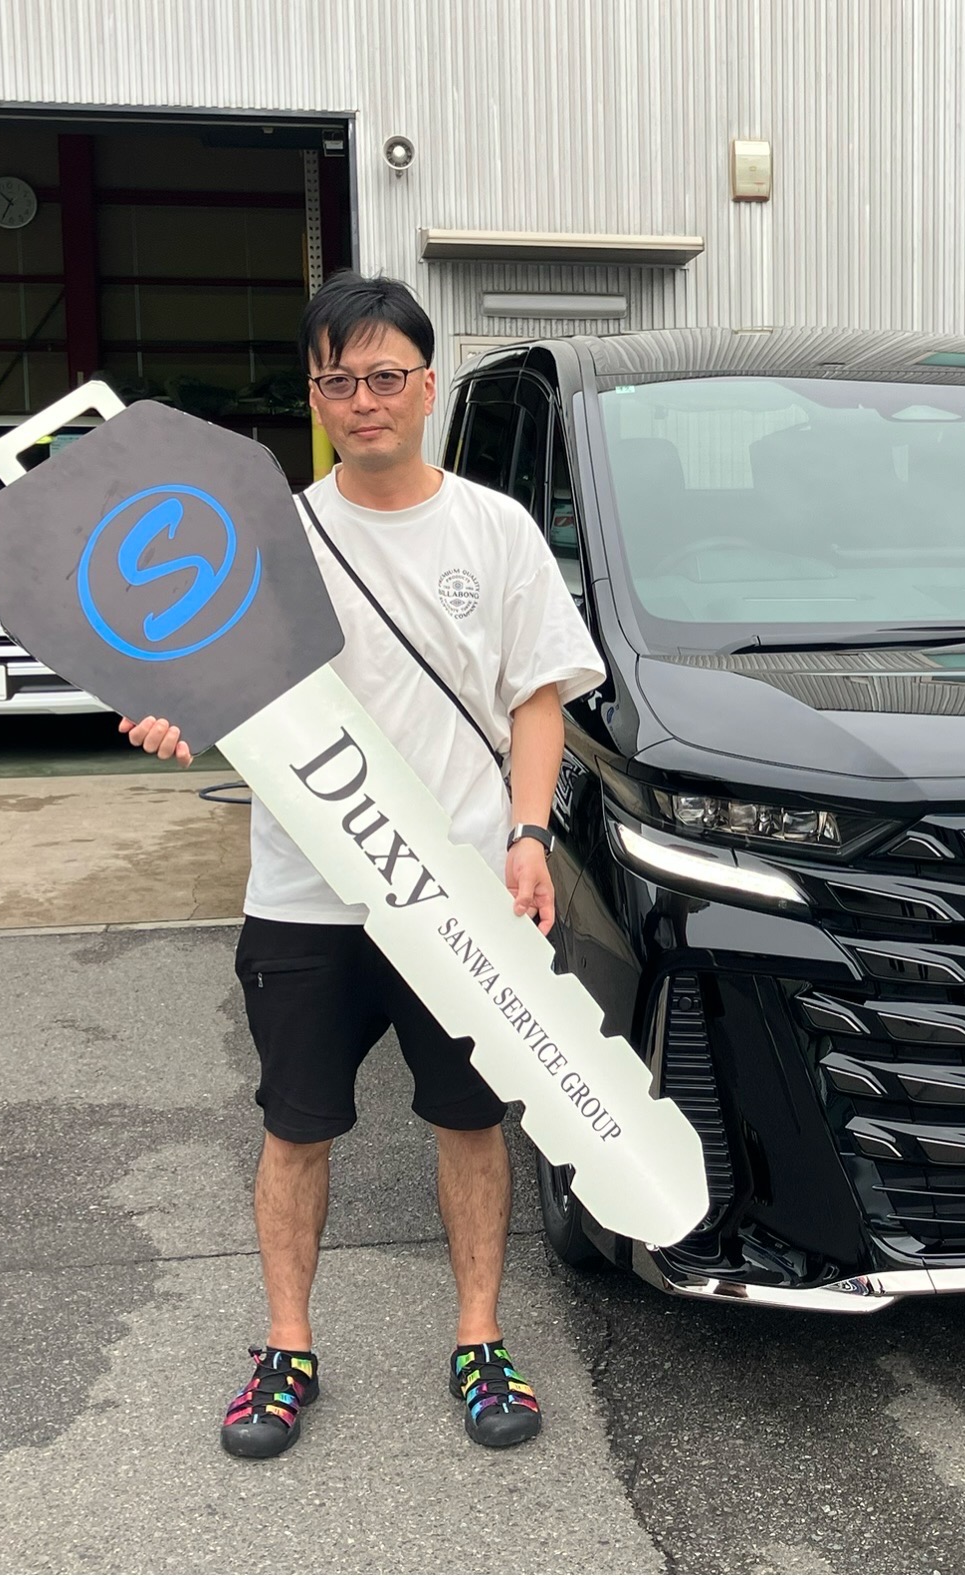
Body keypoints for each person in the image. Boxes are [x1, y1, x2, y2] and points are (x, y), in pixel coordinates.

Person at [120, 272, 604, 1458]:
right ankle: (286, 1347)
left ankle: (480, 1336)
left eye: (386, 376)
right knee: (296, 1128)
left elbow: (536, 699)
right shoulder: (269, 536)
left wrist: (528, 835)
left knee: (469, 1123)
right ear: (315, 395)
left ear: (429, 386)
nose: (363, 400)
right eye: (338, 381)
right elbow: (210, 679)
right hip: (306, 891)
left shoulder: (495, 529)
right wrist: (176, 714)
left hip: (456, 893)